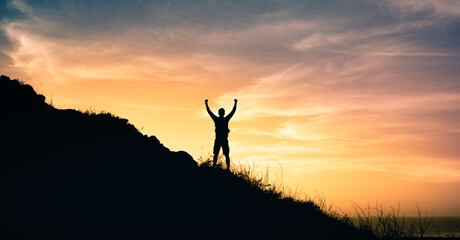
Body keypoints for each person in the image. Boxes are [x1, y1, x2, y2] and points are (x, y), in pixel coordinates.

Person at [205, 99, 237, 170]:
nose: (222, 113)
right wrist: (206, 104)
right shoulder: (223, 119)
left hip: (221, 139)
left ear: (219, 113)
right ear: (222, 113)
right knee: (219, 154)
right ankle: (219, 167)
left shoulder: (219, 119)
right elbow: (233, 111)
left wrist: (206, 104)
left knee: (223, 154)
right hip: (220, 139)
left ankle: (223, 167)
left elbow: (209, 112)